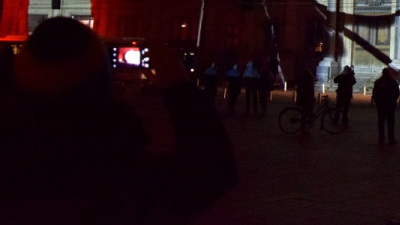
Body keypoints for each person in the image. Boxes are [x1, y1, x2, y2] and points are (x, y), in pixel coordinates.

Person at [0, 17, 236, 224]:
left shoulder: (14, 162)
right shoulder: (121, 175)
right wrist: (178, 87)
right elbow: (213, 170)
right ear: (102, 83)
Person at [372, 66, 400, 145]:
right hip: (390, 105)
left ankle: (381, 138)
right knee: (390, 122)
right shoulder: (393, 82)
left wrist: (377, 101)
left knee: (381, 122)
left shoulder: (378, 82)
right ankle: (391, 138)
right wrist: (393, 101)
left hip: (381, 105)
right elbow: (397, 93)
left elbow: (375, 93)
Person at [295, 66, 316, 137]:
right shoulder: (310, 80)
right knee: (307, 115)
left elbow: (299, 91)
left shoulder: (302, 80)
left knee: (305, 115)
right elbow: (310, 91)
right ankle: (305, 131)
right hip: (307, 100)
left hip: (303, 100)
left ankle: (304, 130)